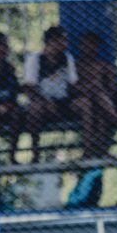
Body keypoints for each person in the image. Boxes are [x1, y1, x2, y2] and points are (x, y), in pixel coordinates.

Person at [23, 26, 79, 163]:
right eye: (62, 40)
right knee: (34, 109)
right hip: (44, 103)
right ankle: (35, 153)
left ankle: (91, 150)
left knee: (85, 104)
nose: (65, 44)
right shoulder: (35, 59)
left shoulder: (66, 58)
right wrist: (45, 101)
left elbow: (73, 84)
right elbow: (29, 87)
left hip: (63, 101)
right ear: (51, 41)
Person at [72, 31, 117, 158]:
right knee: (90, 100)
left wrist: (97, 89)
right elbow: (71, 88)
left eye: (92, 45)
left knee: (99, 109)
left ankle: (98, 150)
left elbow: (112, 88)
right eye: (85, 45)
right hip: (79, 101)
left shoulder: (105, 66)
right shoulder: (75, 66)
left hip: (101, 101)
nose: (88, 48)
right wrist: (88, 88)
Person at [0, 32, 22, 163]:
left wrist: (7, 105)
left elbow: (14, 92)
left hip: (10, 107)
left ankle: (12, 155)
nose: (4, 49)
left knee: (17, 113)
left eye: (5, 46)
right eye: (0, 46)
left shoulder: (9, 68)